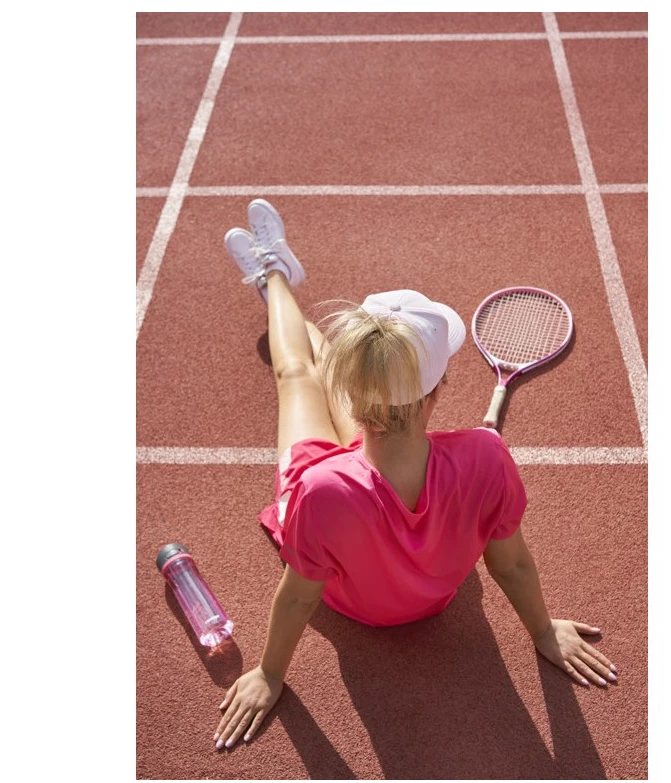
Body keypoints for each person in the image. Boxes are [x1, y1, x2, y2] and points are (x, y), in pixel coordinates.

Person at [212, 200, 617, 750]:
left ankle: (273, 276)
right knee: (317, 363)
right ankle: (279, 282)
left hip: (344, 493)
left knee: (298, 372)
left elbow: (299, 598)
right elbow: (512, 564)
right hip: (420, 578)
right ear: (437, 391)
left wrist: (269, 673)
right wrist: (543, 630)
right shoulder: (487, 457)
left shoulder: (319, 490)